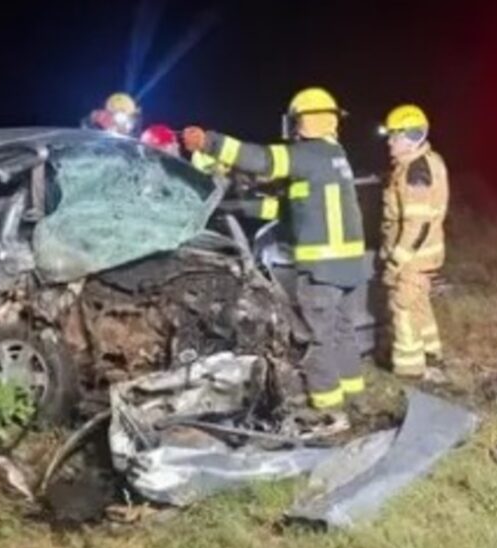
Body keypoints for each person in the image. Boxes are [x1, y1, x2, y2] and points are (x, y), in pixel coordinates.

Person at [181, 87, 367, 416]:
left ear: (303, 121)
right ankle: (355, 394)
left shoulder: (309, 154)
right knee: (342, 332)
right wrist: (235, 208)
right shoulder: (333, 156)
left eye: (295, 121)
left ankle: (327, 406)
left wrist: (210, 142)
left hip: (323, 271)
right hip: (349, 267)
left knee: (317, 339)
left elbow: (263, 159)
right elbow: (288, 209)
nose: (292, 128)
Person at [378, 104, 449, 380]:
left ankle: (409, 371)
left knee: (403, 308)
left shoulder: (415, 171)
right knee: (419, 304)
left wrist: (395, 262)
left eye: (394, 136)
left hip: (413, 258)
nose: (389, 142)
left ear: (411, 137)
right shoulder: (427, 161)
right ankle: (431, 355)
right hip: (424, 255)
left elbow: (417, 226)